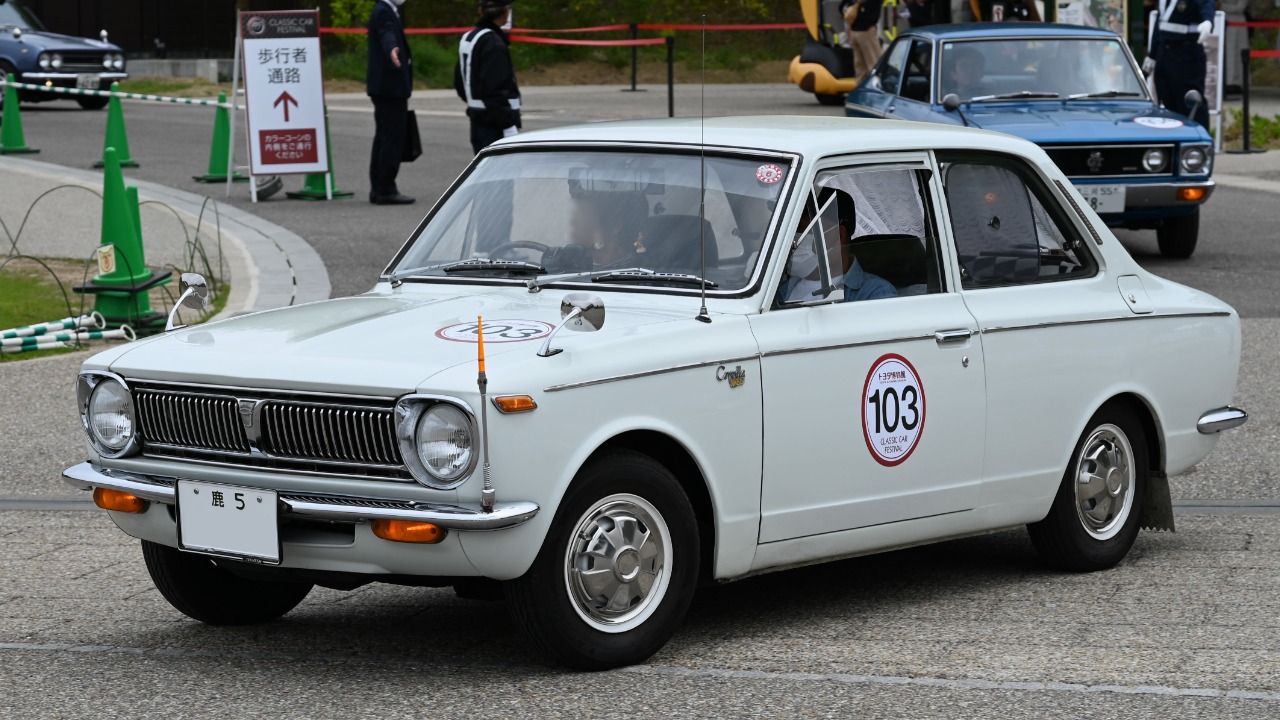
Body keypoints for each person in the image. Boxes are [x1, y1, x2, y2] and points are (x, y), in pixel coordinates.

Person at [455, 0, 522, 155]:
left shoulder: (469, 38)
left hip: (478, 120)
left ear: (481, 11)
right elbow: (495, 89)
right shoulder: (493, 43)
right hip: (496, 125)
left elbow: (460, 83)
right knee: (503, 177)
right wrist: (508, 125)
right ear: (505, 12)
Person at [366, 0, 415, 205]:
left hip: (384, 88)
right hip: (390, 88)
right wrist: (392, 49)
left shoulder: (386, 10)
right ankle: (386, 188)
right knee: (391, 139)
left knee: (383, 138)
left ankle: (378, 187)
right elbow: (388, 34)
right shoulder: (384, 12)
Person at [1145, 0, 1215, 128]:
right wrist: (1152, 55)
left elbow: (1206, 4)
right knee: (1167, 104)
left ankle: (1199, 145)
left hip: (1186, 54)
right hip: (1164, 53)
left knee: (1191, 104)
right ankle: (1173, 144)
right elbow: (1160, 24)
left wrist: (1208, 21)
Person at [842, 0, 884, 81]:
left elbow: (842, 6)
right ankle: (875, 90)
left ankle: (860, 90)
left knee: (860, 69)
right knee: (875, 64)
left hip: (854, 31)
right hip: (866, 31)